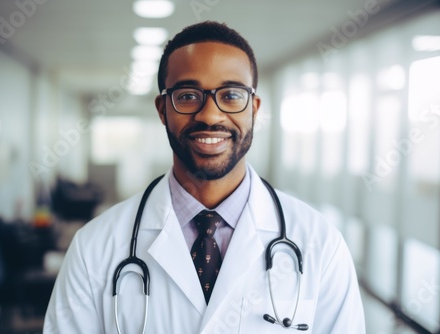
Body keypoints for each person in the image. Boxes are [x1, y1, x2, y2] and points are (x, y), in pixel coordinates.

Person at [44, 21, 365, 333]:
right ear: (162, 109)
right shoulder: (94, 247)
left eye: (231, 95)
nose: (210, 115)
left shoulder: (319, 244)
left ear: (254, 108)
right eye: (187, 95)